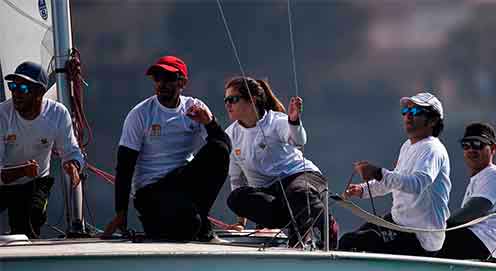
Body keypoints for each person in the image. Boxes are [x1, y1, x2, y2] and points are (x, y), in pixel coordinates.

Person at [103, 56, 231, 241]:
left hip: (182, 181)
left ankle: (199, 218)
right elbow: (124, 166)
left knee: (218, 149)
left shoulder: (194, 108)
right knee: (190, 225)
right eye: (157, 78)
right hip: (151, 190)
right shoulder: (140, 114)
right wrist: (121, 214)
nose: (161, 84)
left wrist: (209, 123)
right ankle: (194, 222)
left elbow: (224, 148)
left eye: (169, 78)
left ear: (183, 83)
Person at [224, 76, 338, 248]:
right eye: (226, 100)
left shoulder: (276, 121)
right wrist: (241, 222)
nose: (228, 104)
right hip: (271, 193)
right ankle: (299, 220)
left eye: (233, 99)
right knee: (235, 199)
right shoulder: (231, 135)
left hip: (302, 178)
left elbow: (299, 140)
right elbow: (236, 179)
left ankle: (319, 227)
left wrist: (293, 120)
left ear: (252, 100)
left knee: (298, 193)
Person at [339, 92, 451, 257]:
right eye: (405, 112)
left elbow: (417, 184)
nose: (408, 116)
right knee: (345, 241)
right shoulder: (408, 146)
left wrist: (377, 172)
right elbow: (395, 181)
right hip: (398, 224)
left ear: (433, 120)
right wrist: (362, 189)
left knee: (351, 243)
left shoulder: (432, 149)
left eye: (415, 112)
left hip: (420, 237)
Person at [0, 61, 84, 238]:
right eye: (13, 86)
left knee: (32, 220)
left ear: (39, 93)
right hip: (3, 181)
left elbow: (71, 150)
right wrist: (22, 170)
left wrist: (73, 165)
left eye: (22, 88)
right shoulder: (2, 115)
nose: (15, 93)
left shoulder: (57, 114)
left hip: (34, 182)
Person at [438, 122, 496, 263]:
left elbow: (475, 209)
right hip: (477, 245)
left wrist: (437, 227)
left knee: (425, 241)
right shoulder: (478, 179)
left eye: (478, 144)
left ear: (493, 148)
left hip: (484, 247)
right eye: (466, 145)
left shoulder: (494, 173)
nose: (471, 149)